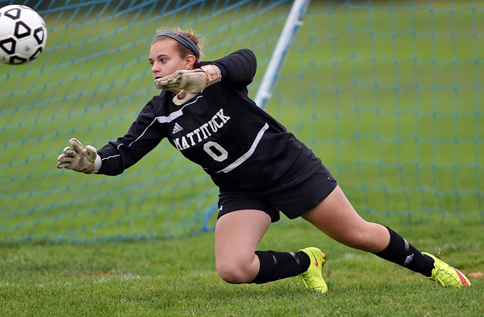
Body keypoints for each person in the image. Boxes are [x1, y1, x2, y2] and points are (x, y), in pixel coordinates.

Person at [57, 28, 471, 292]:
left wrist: (208, 75)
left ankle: (432, 267)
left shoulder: (221, 80)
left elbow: (246, 60)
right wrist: (92, 162)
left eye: (162, 59)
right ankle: (307, 261)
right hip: (241, 190)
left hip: (288, 168)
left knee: (359, 235)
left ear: (188, 60)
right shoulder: (160, 111)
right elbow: (124, 153)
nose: (154, 68)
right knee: (233, 269)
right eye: (150, 62)